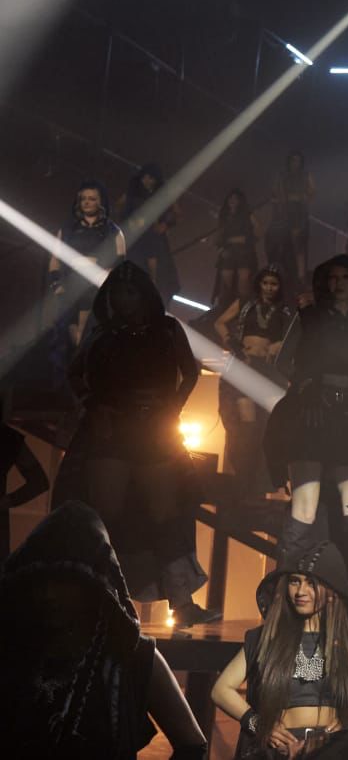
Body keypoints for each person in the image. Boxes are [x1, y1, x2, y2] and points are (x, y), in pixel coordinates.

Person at [54, 261, 217, 627]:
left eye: (129, 292)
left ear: (143, 294)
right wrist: (95, 407)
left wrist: (172, 407)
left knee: (166, 515)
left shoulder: (167, 330)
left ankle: (182, 602)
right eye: (117, 293)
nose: (123, 300)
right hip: (110, 433)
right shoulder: (103, 334)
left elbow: (189, 373)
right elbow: (75, 374)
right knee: (104, 516)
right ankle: (99, 597)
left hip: (155, 432)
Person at [0, 502, 207, 759]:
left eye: (65, 581)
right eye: (43, 581)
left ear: (92, 583)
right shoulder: (13, 649)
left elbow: (192, 746)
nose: (49, 595)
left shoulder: (134, 656)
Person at [210, 541, 348, 758]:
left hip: (334, 751)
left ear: (332, 590)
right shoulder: (267, 637)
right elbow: (221, 690)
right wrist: (257, 724)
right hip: (278, 751)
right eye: (294, 581)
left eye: (311, 583)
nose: (301, 591)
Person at [266, 256, 348, 576]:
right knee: (305, 506)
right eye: (333, 277)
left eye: (346, 277)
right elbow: (283, 361)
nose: (338, 283)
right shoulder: (310, 316)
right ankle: (285, 587)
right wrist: (306, 385)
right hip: (312, 414)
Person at [214, 265, 294, 496]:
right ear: (259, 284)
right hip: (245, 366)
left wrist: (280, 344)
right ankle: (243, 480)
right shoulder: (245, 303)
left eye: (274, 284)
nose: (269, 288)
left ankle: (257, 485)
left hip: (268, 371)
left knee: (265, 429)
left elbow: (296, 336)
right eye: (265, 283)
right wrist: (232, 343)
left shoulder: (285, 311)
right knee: (246, 427)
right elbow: (219, 322)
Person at [47, 179, 126, 352]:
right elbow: (55, 259)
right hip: (70, 287)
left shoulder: (113, 231)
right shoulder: (67, 229)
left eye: (92, 198)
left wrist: (106, 277)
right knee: (68, 336)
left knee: (89, 333)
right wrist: (55, 284)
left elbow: (120, 260)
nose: (87, 202)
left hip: (97, 288)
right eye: (84, 199)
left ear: (100, 201)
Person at [116, 164, 181, 302]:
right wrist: (129, 221)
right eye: (145, 177)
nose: (147, 180)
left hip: (154, 237)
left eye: (151, 178)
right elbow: (119, 206)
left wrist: (165, 225)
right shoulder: (133, 192)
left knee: (160, 275)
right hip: (135, 238)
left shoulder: (162, 193)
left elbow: (176, 212)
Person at [0, 411, 50, 561]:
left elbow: (39, 482)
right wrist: (7, 501)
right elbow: (39, 482)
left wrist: (7, 501)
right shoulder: (8, 438)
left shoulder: (8, 438)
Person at [272, 151, 315, 286]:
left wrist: (300, 197)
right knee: (282, 244)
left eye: (297, 160)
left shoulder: (306, 175)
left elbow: (312, 194)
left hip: (299, 213)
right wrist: (282, 200)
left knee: (299, 245)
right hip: (283, 213)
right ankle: (282, 274)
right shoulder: (282, 176)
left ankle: (301, 276)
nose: (295, 163)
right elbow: (276, 191)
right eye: (293, 160)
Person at [213, 188, 262, 308]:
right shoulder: (224, 216)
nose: (232, 200)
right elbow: (219, 235)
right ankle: (227, 306)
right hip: (228, 252)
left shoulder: (247, 214)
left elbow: (258, 230)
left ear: (240, 201)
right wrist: (221, 249)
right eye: (230, 198)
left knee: (243, 281)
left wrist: (247, 239)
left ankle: (243, 307)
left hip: (244, 252)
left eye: (235, 198)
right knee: (226, 282)